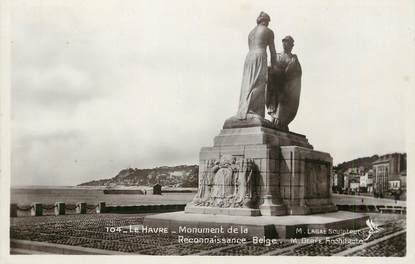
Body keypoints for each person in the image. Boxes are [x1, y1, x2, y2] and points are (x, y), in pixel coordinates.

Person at [236, 12, 277, 120]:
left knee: (248, 84)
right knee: (258, 83)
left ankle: (244, 109)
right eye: (268, 22)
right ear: (265, 21)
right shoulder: (268, 31)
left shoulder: (251, 33)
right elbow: (273, 52)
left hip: (249, 57)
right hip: (260, 55)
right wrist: (274, 68)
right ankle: (252, 110)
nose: (268, 24)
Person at [266, 36, 302, 131]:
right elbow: (271, 68)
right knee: (276, 105)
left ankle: (281, 122)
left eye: (288, 42)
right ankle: (276, 121)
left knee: (284, 104)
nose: (285, 44)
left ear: (292, 45)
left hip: (288, 87)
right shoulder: (277, 56)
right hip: (276, 85)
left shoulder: (294, 59)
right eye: (284, 42)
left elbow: (297, 74)